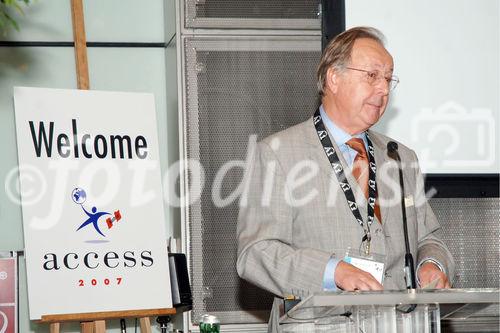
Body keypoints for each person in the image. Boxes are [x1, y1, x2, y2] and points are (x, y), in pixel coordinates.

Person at [236, 26, 455, 331]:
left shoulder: (401, 157)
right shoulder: (277, 153)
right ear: (333, 78)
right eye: (372, 76)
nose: (383, 89)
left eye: (388, 79)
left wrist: (432, 264)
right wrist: (333, 271)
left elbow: (429, 239)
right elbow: (256, 253)